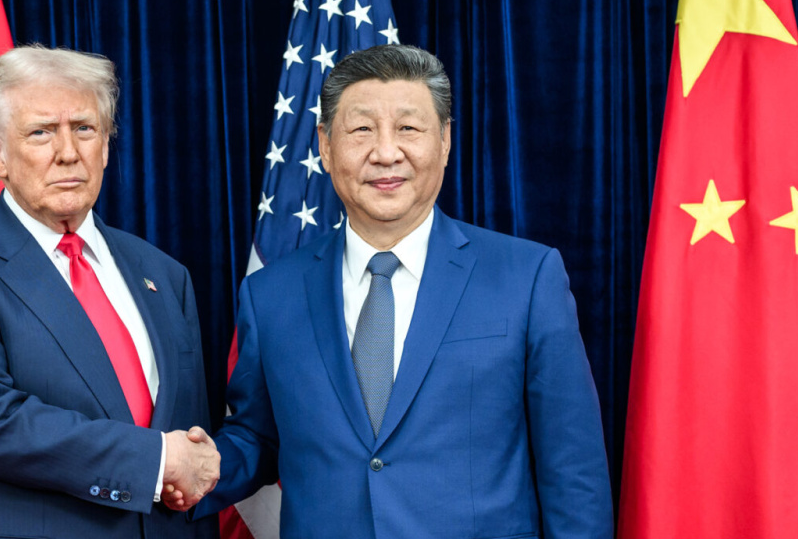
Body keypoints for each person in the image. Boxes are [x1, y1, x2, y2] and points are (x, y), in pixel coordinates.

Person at [186, 44, 613, 537]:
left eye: (408, 128)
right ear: (325, 145)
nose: (386, 152)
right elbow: (259, 437)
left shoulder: (527, 277)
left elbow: (573, 472)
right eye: (362, 129)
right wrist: (195, 468)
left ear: (446, 140)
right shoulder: (270, 295)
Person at [0, 45, 219, 539]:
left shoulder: (164, 274)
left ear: (106, 146)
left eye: (84, 129)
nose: (68, 152)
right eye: (41, 132)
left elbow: (187, 447)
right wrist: (155, 460)